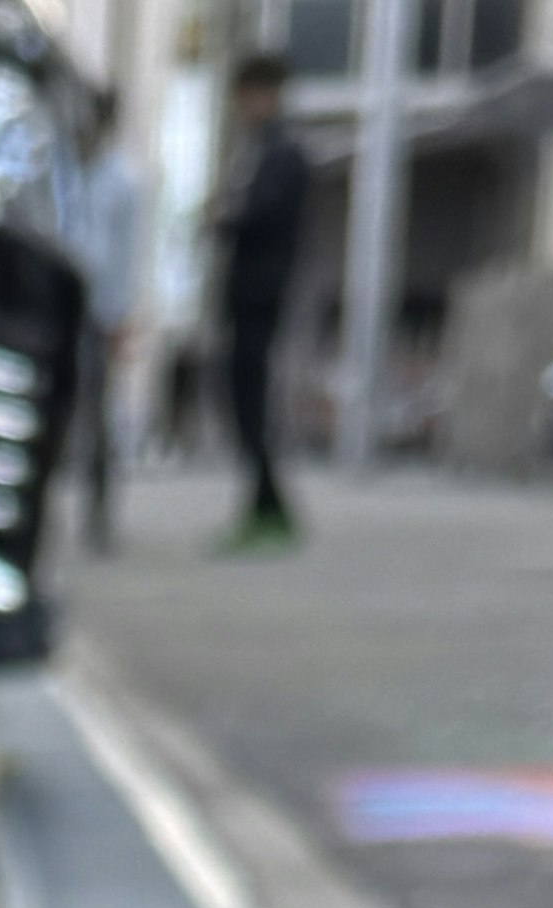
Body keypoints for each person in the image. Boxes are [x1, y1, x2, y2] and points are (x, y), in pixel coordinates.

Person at [213, 52, 310, 548]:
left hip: (260, 294)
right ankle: (265, 504)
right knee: (241, 400)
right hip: (247, 293)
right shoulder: (260, 150)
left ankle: (268, 507)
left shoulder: (282, 154)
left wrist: (225, 216)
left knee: (249, 400)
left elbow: (264, 217)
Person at [71, 85, 148, 549]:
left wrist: (121, 315)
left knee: (98, 415)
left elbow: (126, 255)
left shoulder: (122, 180)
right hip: (64, 304)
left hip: (100, 310)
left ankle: (99, 515)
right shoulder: (65, 170)